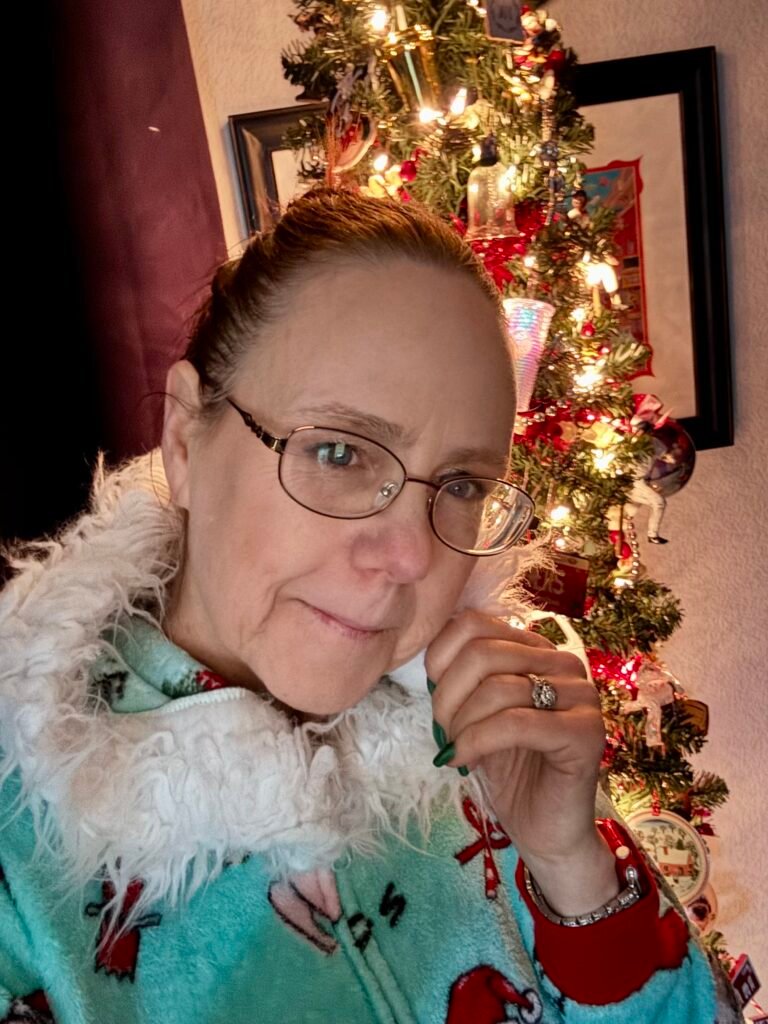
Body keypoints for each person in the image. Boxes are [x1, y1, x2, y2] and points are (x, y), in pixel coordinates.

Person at [0, 188, 739, 1023]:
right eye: (338, 451)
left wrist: (572, 863)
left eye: (461, 484)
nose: (412, 557)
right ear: (183, 439)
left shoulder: (483, 730)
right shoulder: (19, 840)